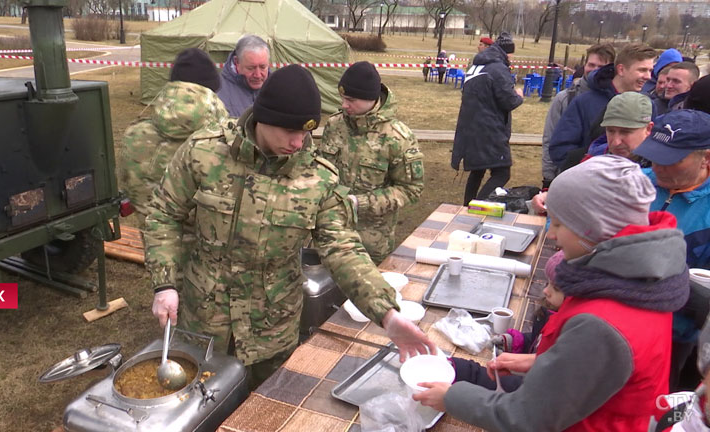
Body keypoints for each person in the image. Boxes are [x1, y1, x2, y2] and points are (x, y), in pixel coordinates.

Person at [144, 64, 435, 388]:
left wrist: (387, 313)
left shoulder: (317, 178)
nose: (299, 143)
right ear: (263, 119)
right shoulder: (204, 152)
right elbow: (162, 214)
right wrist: (165, 284)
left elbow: (343, 248)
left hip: (271, 328)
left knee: (264, 409)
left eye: (306, 132)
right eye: (291, 132)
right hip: (205, 320)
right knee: (200, 402)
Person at [414, 155, 690, 431]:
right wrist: (545, 362)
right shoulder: (641, 280)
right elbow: (601, 366)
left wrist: (452, 397)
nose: (553, 235)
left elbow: (529, 417)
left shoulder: (602, 324)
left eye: (558, 224)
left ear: (592, 229)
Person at [632, 110, 710, 391]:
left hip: (674, 336)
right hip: (615, 316)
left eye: (672, 159)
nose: (658, 166)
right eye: (655, 154)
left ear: (706, 158)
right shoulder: (634, 179)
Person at [320, 62, 424, 265]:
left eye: (350, 100)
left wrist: (360, 203)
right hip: (330, 235)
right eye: (342, 98)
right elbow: (322, 169)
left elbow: (411, 189)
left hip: (370, 245)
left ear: (371, 99)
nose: (344, 105)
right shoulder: (334, 125)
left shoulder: (397, 137)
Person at [118, 48, 227, 215]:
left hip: (153, 235)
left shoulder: (134, 134)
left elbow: (129, 188)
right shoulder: (224, 139)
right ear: (210, 91)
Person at [448, 250, 566, 393]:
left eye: (556, 288)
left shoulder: (568, 338)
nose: (546, 290)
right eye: (547, 283)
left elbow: (519, 392)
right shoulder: (552, 314)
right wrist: (516, 341)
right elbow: (539, 342)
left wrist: (466, 372)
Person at [531, 91, 654, 215]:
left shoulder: (662, 171)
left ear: (648, 129)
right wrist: (550, 197)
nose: (616, 142)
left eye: (625, 132)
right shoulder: (589, 160)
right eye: (610, 131)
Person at [549, 43, 656, 170]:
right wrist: (596, 166)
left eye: (650, 71)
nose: (648, 77)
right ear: (621, 69)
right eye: (642, 70)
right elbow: (560, 149)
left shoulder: (649, 105)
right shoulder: (584, 102)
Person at [452, 31, 524, 206]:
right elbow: (508, 101)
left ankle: (466, 206)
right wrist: (519, 95)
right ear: (507, 52)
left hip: (470, 128)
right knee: (502, 173)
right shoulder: (498, 68)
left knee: (478, 170)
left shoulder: (477, 66)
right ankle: (476, 205)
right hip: (489, 129)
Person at [540, 44, 615, 187]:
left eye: (600, 67)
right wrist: (548, 177)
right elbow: (549, 138)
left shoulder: (615, 99)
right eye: (591, 64)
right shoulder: (565, 98)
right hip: (566, 175)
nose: (594, 70)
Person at [217, 34, 270, 117]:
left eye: (263, 67)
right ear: (236, 62)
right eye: (251, 68)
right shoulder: (217, 92)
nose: (258, 75)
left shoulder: (279, 88)